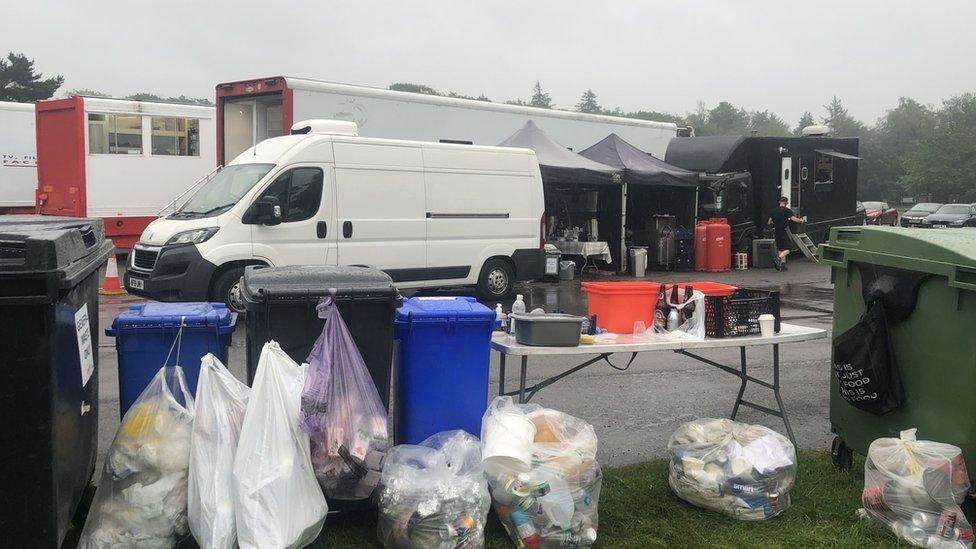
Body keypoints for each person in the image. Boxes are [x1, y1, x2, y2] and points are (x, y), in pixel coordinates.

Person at [767, 196, 805, 271]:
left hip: (776, 231)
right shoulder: (787, 211)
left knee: (781, 248)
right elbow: (794, 219)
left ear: (779, 202)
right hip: (784, 231)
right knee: (788, 248)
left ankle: (782, 265)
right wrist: (801, 220)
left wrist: (776, 221)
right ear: (786, 203)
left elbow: (769, 222)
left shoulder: (773, 211)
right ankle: (778, 258)